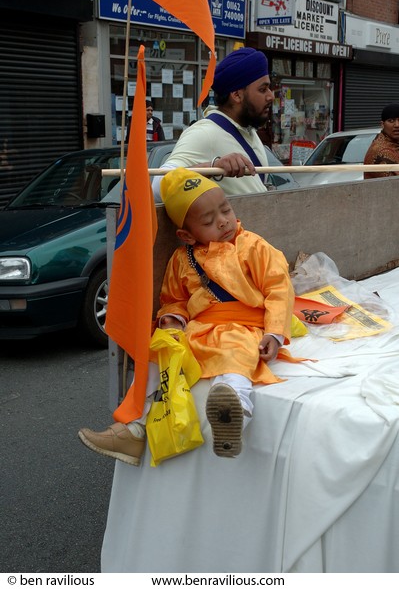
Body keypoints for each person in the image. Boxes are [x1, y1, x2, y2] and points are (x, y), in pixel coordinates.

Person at [78, 168, 294, 464]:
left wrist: (273, 332)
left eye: (226, 210)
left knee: (234, 357)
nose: (223, 221)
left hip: (240, 326)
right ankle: (133, 429)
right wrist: (172, 318)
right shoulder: (182, 259)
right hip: (197, 328)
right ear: (185, 235)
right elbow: (174, 299)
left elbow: (279, 289)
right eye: (209, 221)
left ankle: (233, 415)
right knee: (158, 351)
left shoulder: (254, 246)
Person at [151, 47, 275, 202]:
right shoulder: (205, 133)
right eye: (263, 89)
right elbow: (158, 186)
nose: (271, 96)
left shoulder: (247, 129)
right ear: (236, 95)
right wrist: (213, 165)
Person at [364, 103, 399, 179]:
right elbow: (394, 183)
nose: (397, 125)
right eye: (391, 120)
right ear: (382, 124)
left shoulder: (394, 143)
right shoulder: (380, 150)